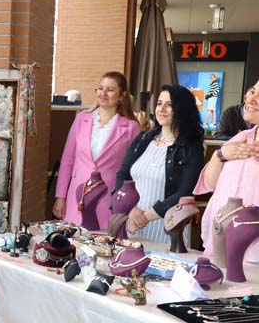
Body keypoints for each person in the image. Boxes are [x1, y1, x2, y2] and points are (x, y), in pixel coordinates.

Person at [113, 84, 205, 242]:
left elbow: (184, 193)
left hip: (167, 229)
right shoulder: (142, 139)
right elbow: (122, 176)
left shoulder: (192, 149)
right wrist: (131, 209)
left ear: (182, 110)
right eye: (159, 103)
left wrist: (145, 217)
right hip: (131, 222)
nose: (161, 109)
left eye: (169, 105)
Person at [53, 71, 140, 227]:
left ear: (122, 96)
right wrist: (60, 197)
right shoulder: (81, 119)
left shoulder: (131, 127)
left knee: (103, 241)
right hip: (76, 199)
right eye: (100, 88)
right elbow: (67, 160)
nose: (103, 93)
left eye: (110, 90)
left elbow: (134, 170)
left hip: (109, 200)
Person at [194, 79, 259, 260]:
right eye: (253, 91)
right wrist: (220, 155)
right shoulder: (241, 137)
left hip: (253, 256)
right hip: (219, 244)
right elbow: (211, 183)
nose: (252, 99)